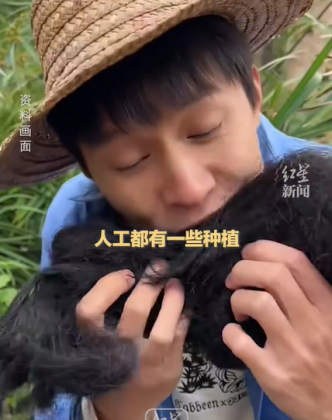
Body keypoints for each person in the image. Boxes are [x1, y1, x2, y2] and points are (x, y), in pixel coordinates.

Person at [1, 0, 332, 419]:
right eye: (131, 162)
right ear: (87, 167)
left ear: (254, 93)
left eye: (205, 131)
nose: (190, 189)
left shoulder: (321, 200)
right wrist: (108, 407)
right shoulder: (78, 218)